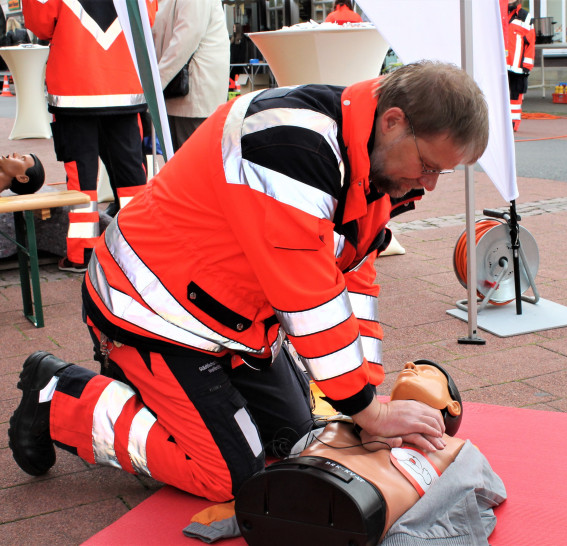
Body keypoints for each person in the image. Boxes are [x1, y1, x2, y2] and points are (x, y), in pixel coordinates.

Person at [8, 61, 489, 506]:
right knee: (229, 477)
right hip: (151, 311)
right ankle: (59, 395)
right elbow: (312, 299)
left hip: (229, 320)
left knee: (297, 437)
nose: (429, 186)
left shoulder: (374, 168)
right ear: (393, 122)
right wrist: (369, 413)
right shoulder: (292, 146)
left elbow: (353, 283)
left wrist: (365, 396)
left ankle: (162, 398)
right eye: (429, 166)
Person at [184, 360, 506, 544]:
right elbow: (300, 448)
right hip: (313, 484)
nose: (410, 364)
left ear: (452, 405)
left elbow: (474, 497)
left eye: (427, 371)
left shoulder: (456, 448)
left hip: (361, 508)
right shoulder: (349, 418)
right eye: (411, 365)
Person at [23, 0, 156, 273]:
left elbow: (39, 24)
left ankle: (83, 253)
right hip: (124, 88)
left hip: (75, 90)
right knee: (132, 175)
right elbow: (147, 19)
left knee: (82, 180)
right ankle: (140, 248)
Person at [153, 0, 230, 152]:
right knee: (182, 163)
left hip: (193, 95)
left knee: (192, 164)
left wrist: (154, 84)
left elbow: (183, 42)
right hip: (181, 94)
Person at [504, 0, 535, 132]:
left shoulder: (525, 17)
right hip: (501, 66)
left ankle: (513, 123)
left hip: (517, 66)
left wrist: (527, 65)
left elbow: (530, 43)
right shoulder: (499, 14)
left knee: (515, 97)